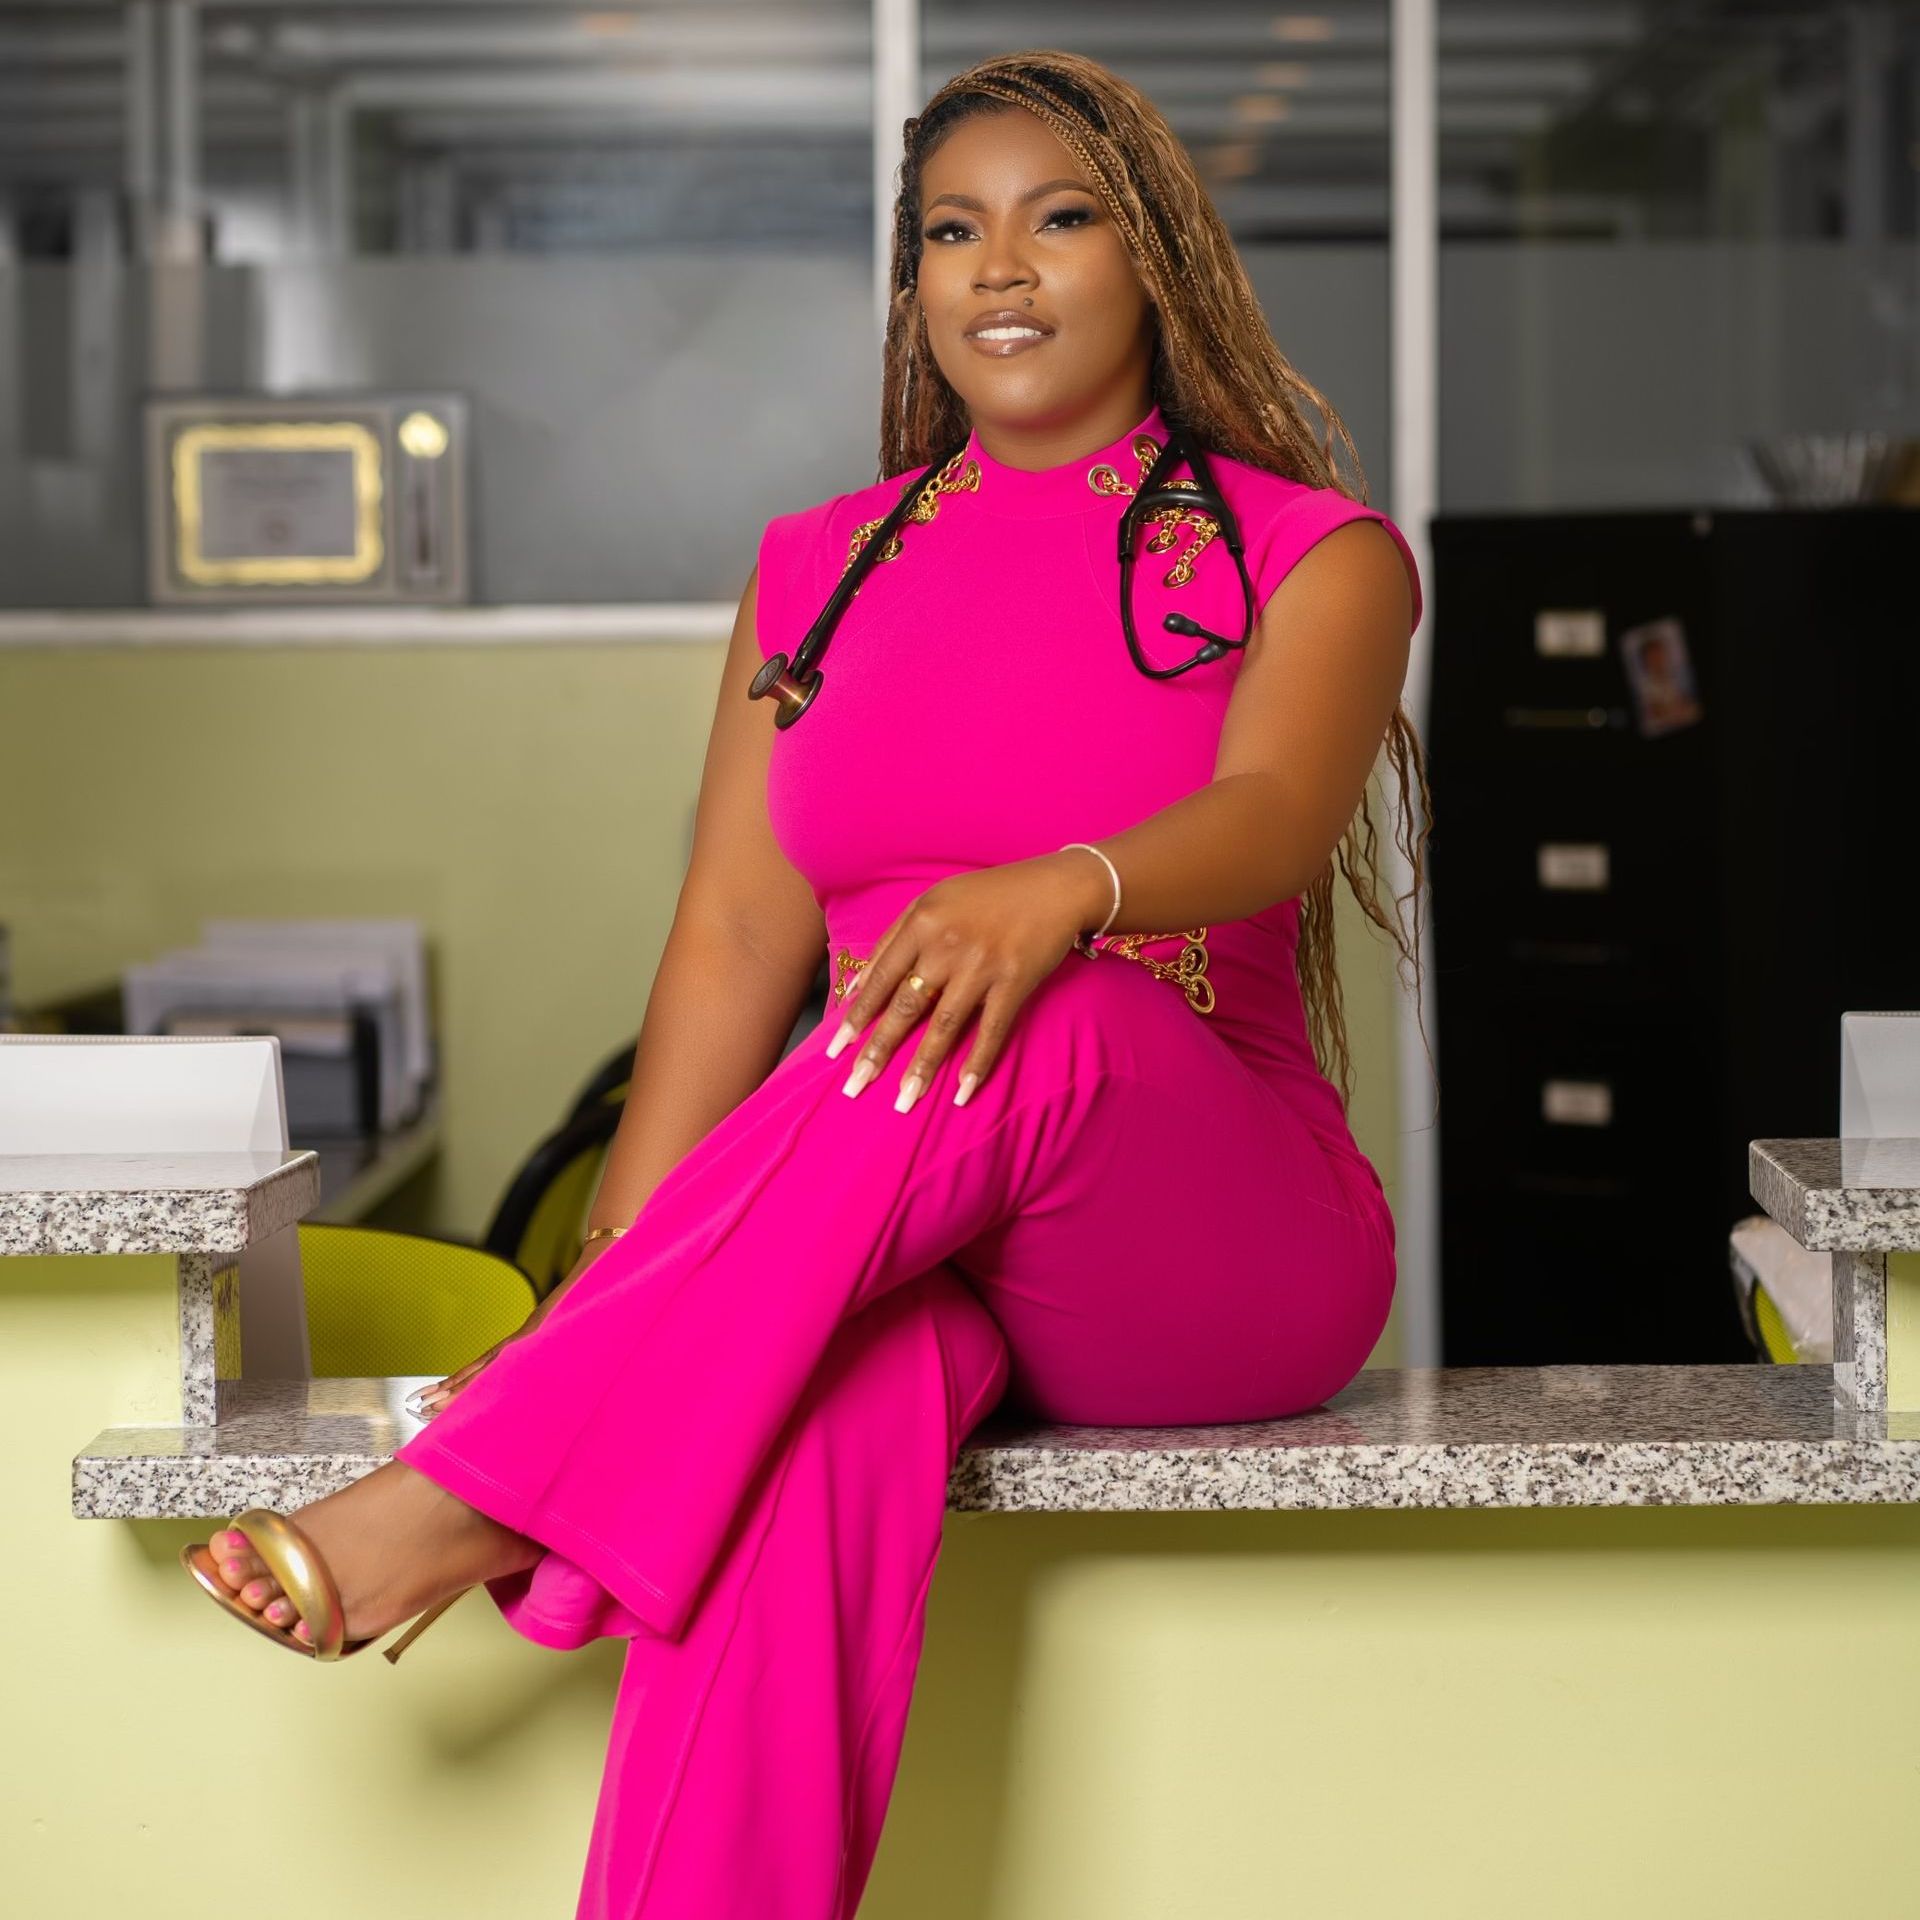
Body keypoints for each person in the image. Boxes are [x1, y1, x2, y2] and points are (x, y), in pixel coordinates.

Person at [184, 48, 1432, 1919]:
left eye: (1059, 218)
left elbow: (1270, 814)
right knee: (812, 1412)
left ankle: (478, 1488)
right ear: (916, 281)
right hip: (904, 1235)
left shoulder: (1307, 553)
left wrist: (1061, 895)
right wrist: (612, 1284)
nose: (999, 269)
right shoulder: (814, 578)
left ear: (1156, 256)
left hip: (1205, 1238)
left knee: (1041, 1003)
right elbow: (736, 940)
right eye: (953, 230)